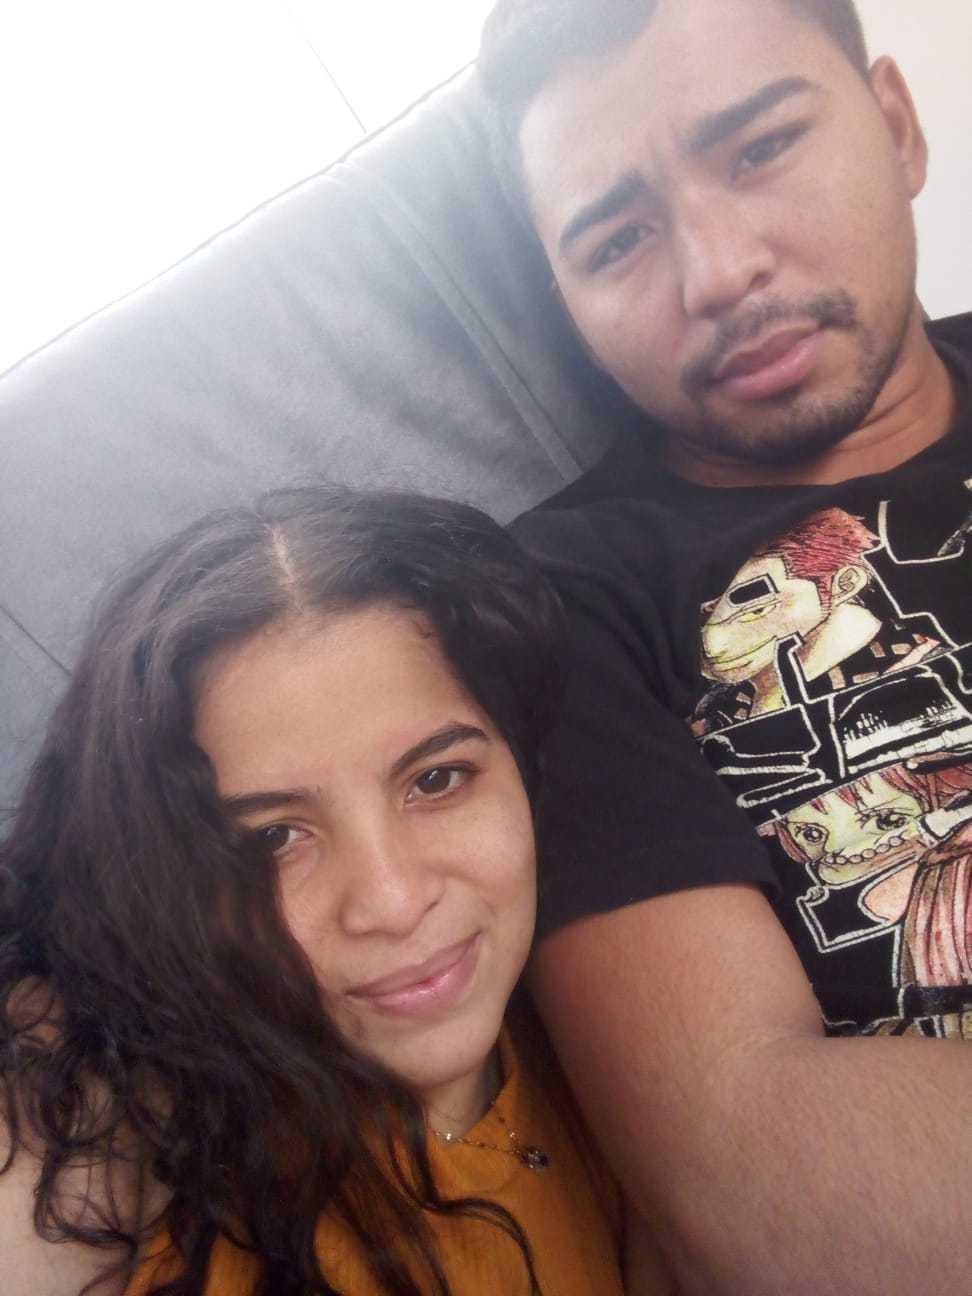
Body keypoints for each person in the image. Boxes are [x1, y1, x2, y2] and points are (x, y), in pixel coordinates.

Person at [476, 1, 972, 1292]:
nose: (717, 274)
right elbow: (770, 1185)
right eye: (617, 239)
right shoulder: (550, 605)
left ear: (898, 128)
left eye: (759, 149)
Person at [0, 487, 658, 1296]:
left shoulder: (615, 1011)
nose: (392, 902)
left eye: (438, 779)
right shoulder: (103, 1114)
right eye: (272, 839)